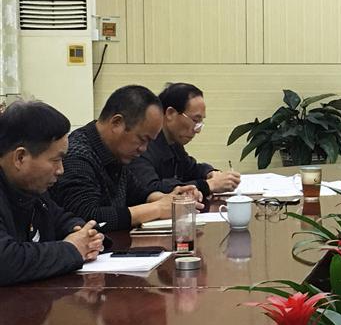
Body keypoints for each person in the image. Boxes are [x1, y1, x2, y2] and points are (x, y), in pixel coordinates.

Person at [50, 85, 201, 232]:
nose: (143, 149)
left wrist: (171, 200)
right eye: (142, 139)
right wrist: (158, 208)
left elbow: (140, 194)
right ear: (117, 123)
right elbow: (88, 217)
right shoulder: (77, 156)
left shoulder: (115, 153)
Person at [0, 101, 105, 285]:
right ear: (20, 158)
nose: (61, 170)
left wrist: (85, 234)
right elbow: (6, 262)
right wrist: (73, 249)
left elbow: (60, 219)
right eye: (56, 160)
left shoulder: (32, 190)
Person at [131, 83, 240, 197]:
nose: (197, 130)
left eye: (200, 122)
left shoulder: (173, 142)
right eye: (195, 120)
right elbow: (150, 189)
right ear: (170, 113)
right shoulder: (142, 146)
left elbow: (191, 170)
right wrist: (209, 185)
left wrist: (210, 173)